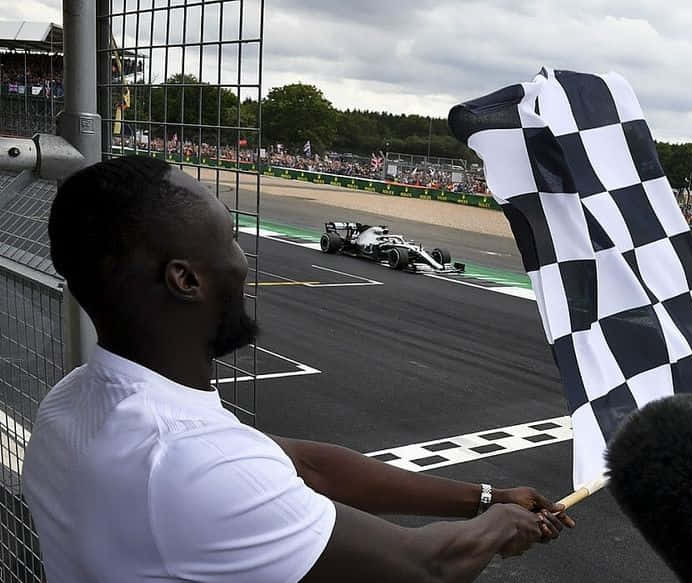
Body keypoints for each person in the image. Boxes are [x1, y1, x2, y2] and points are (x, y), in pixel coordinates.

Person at [22, 156, 573, 582]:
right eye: (233, 237)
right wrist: (502, 526)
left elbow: (312, 466)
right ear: (185, 280)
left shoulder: (72, 402)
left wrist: (484, 497)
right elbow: (424, 569)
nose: (244, 259)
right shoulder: (189, 464)